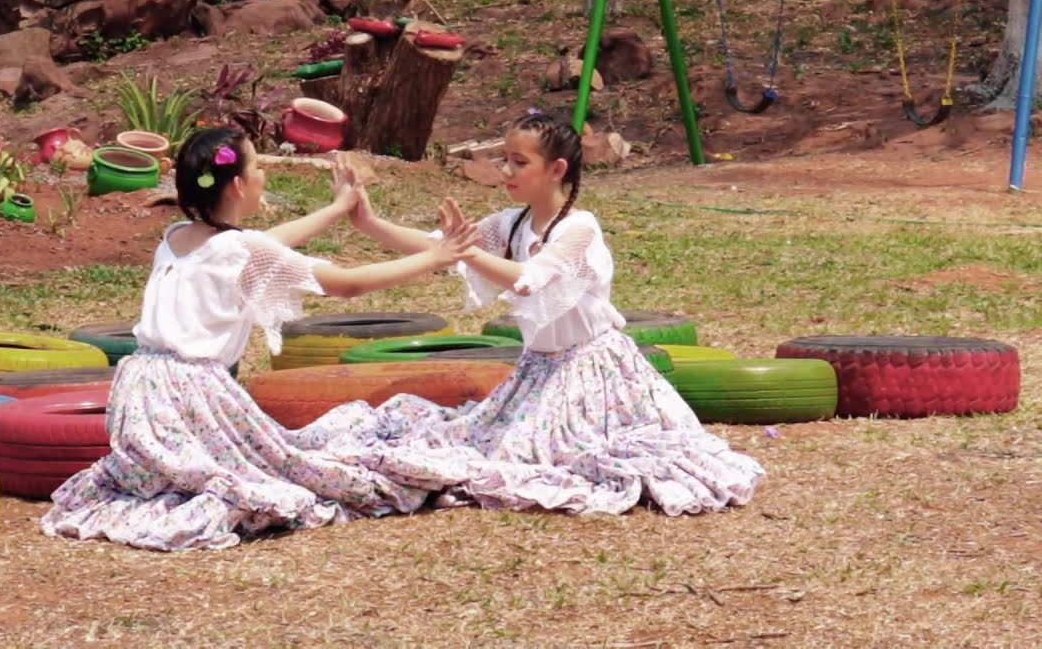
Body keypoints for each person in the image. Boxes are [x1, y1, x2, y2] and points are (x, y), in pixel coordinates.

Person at [39, 127, 482, 551]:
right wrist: (435, 256)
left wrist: (336, 210)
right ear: (237, 186)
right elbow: (347, 283)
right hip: (191, 392)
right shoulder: (241, 251)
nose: (264, 174)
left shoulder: (175, 238)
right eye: (257, 167)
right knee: (281, 470)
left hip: (137, 388)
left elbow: (257, 244)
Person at [342, 111, 766, 516]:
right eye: (504, 159)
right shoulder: (512, 223)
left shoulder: (579, 230)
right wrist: (369, 222)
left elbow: (530, 279)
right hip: (538, 369)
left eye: (519, 162)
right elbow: (437, 247)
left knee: (542, 456)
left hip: (593, 371)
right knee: (489, 445)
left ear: (556, 169)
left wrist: (467, 252)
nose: (506, 171)